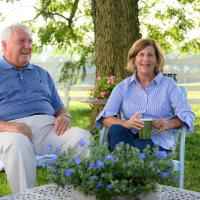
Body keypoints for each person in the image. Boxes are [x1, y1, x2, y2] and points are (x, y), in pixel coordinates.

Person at [0, 24, 91, 193]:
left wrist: (65, 117)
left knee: (82, 137)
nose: (27, 46)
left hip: (49, 130)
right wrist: (8, 127)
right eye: (21, 41)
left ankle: (81, 194)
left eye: (30, 41)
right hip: (9, 132)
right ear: (4, 45)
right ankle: (25, 197)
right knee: (17, 142)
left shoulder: (42, 73)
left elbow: (59, 108)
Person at [96, 38, 194, 153]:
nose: (145, 59)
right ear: (133, 59)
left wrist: (168, 123)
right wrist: (127, 123)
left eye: (150, 55)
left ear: (157, 60)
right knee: (116, 129)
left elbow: (186, 114)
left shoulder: (169, 85)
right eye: (141, 54)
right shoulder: (122, 87)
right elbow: (106, 117)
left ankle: (122, 166)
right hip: (129, 138)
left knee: (133, 149)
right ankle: (128, 164)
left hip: (157, 143)